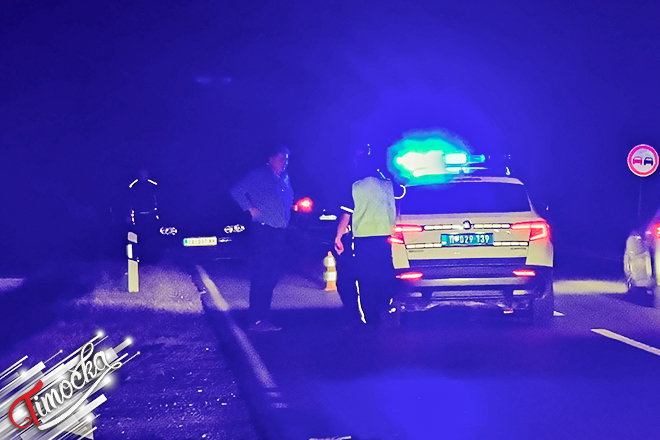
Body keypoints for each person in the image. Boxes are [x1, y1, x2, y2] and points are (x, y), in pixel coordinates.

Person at [230, 146, 294, 332]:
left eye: (286, 159)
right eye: (281, 159)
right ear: (271, 159)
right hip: (264, 231)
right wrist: (250, 208)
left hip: (278, 231)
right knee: (262, 275)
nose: (284, 163)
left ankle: (262, 317)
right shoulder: (259, 175)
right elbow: (236, 191)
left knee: (272, 276)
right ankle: (256, 320)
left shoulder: (284, 177)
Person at [334, 152, 396, 328]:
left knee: (366, 280)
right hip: (385, 239)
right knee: (383, 276)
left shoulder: (355, 187)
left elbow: (346, 216)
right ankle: (384, 306)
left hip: (363, 241)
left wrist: (338, 237)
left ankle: (370, 317)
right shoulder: (388, 185)